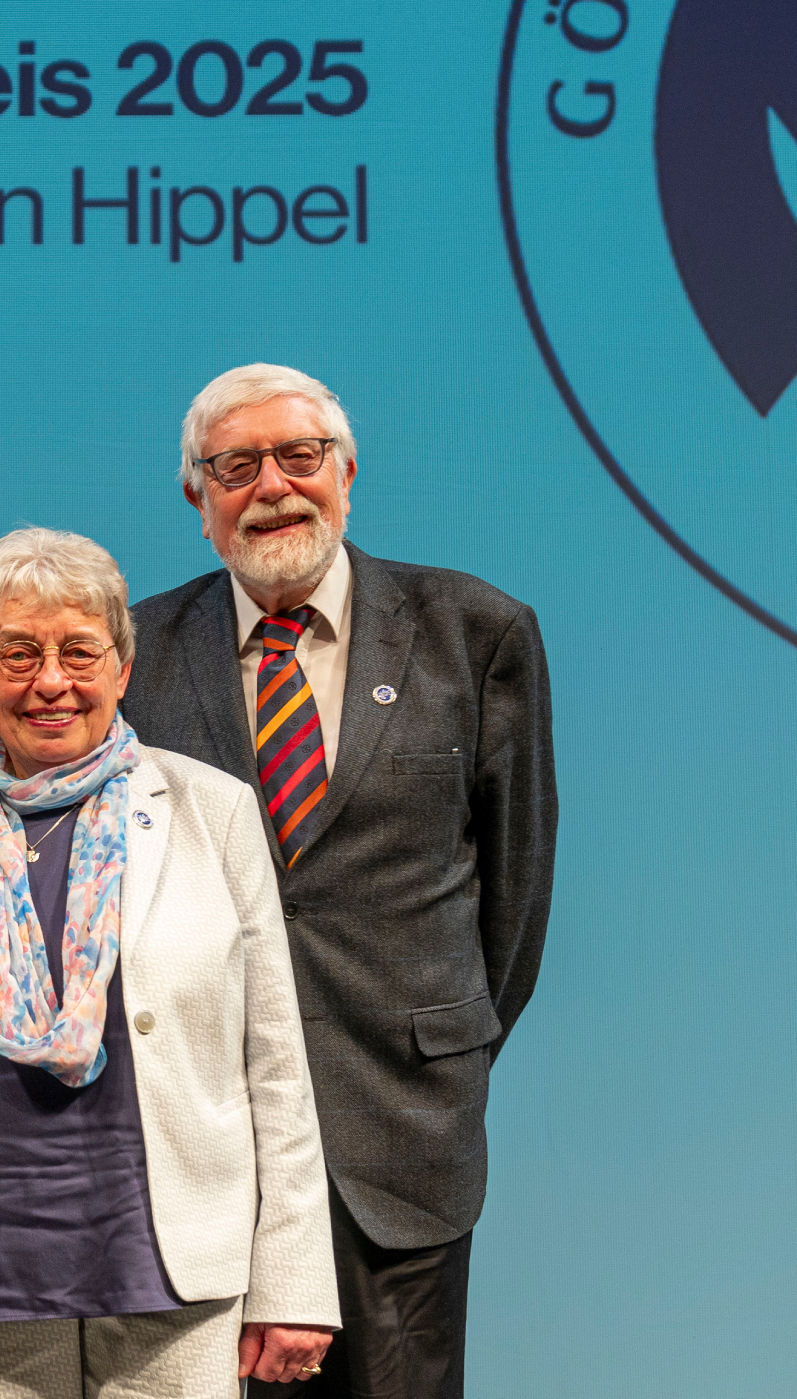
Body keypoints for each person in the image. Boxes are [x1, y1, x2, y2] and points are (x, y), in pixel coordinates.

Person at [0, 527, 338, 1398]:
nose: (50, 681)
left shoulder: (215, 812)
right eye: (17, 654)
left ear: (123, 668)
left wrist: (292, 1280)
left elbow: (277, 1066)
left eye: (78, 652)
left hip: (172, 1272)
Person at [121, 364, 556, 1399]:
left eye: (297, 456)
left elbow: (515, 897)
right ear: (199, 501)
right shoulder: (133, 655)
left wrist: (439, 1049)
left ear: (345, 472)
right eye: (235, 466)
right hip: (203, 1151)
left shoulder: (474, 633)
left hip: (400, 1133)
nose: (271, 485)